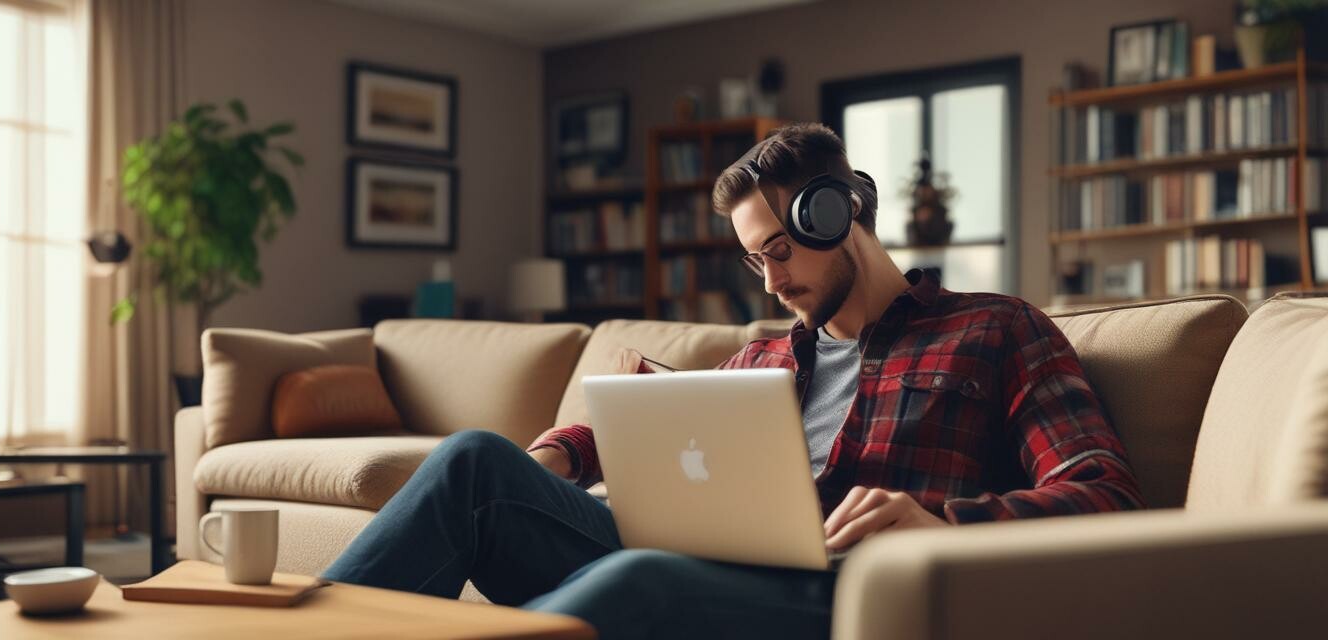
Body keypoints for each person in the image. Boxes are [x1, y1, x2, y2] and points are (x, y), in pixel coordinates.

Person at [322, 122, 1144, 639]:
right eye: (754, 260)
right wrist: (563, 456)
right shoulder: (763, 357)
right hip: (702, 566)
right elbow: (641, 430)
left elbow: (1103, 491)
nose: (769, 282)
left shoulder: (996, 330)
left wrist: (942, 521)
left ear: (839, 214)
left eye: (781, 252)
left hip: (838, 597)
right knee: (475, 462)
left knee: (640, 579)